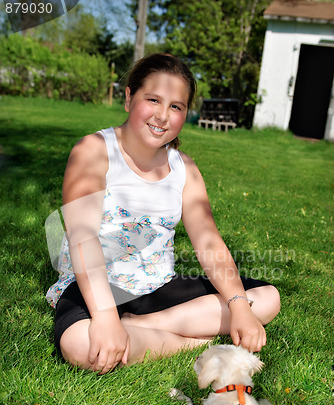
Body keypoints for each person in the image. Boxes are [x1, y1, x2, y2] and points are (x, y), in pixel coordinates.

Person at [46, 53, 280, 375]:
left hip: (158, 288)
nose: (162, 115)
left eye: (176, 106)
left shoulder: (186, 169)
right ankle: (195, 341)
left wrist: (238, 306)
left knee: (267, 298)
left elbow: (209, 242)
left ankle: (144, 326)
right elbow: (83, 235)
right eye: (153, 99)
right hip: (96, 288)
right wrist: (104, 317)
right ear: (129, 97)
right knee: (81, 346)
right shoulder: (94, 151)